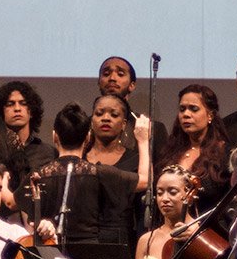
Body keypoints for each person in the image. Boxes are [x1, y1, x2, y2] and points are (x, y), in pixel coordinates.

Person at [23, 102, 149, 250]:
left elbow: (13, 202)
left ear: (54, 137)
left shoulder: (40, 175)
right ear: (88, 137)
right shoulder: (101, 172)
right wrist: (143, 140)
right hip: (90, 255)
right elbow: (144, 180)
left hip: (52, 254)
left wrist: (5, 182)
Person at [157, 85, 230, 214]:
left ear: (210, 115)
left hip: (207, 229)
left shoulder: (224, 153)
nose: (186, 114)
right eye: (182, 109)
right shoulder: (171, 151)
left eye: (193, 109)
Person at [97, 56, 167, 162]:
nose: (112, 78)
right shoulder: (85, 126)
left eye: (120, 74)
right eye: (106, 74)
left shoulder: (153, 129)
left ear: (132, 85)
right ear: (99, 82)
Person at [0, 80, 57, 189]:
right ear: (1, 111)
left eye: (23, 103)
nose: (17, 109)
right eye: (10, 104)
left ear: (31, 111)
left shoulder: (48, 152)